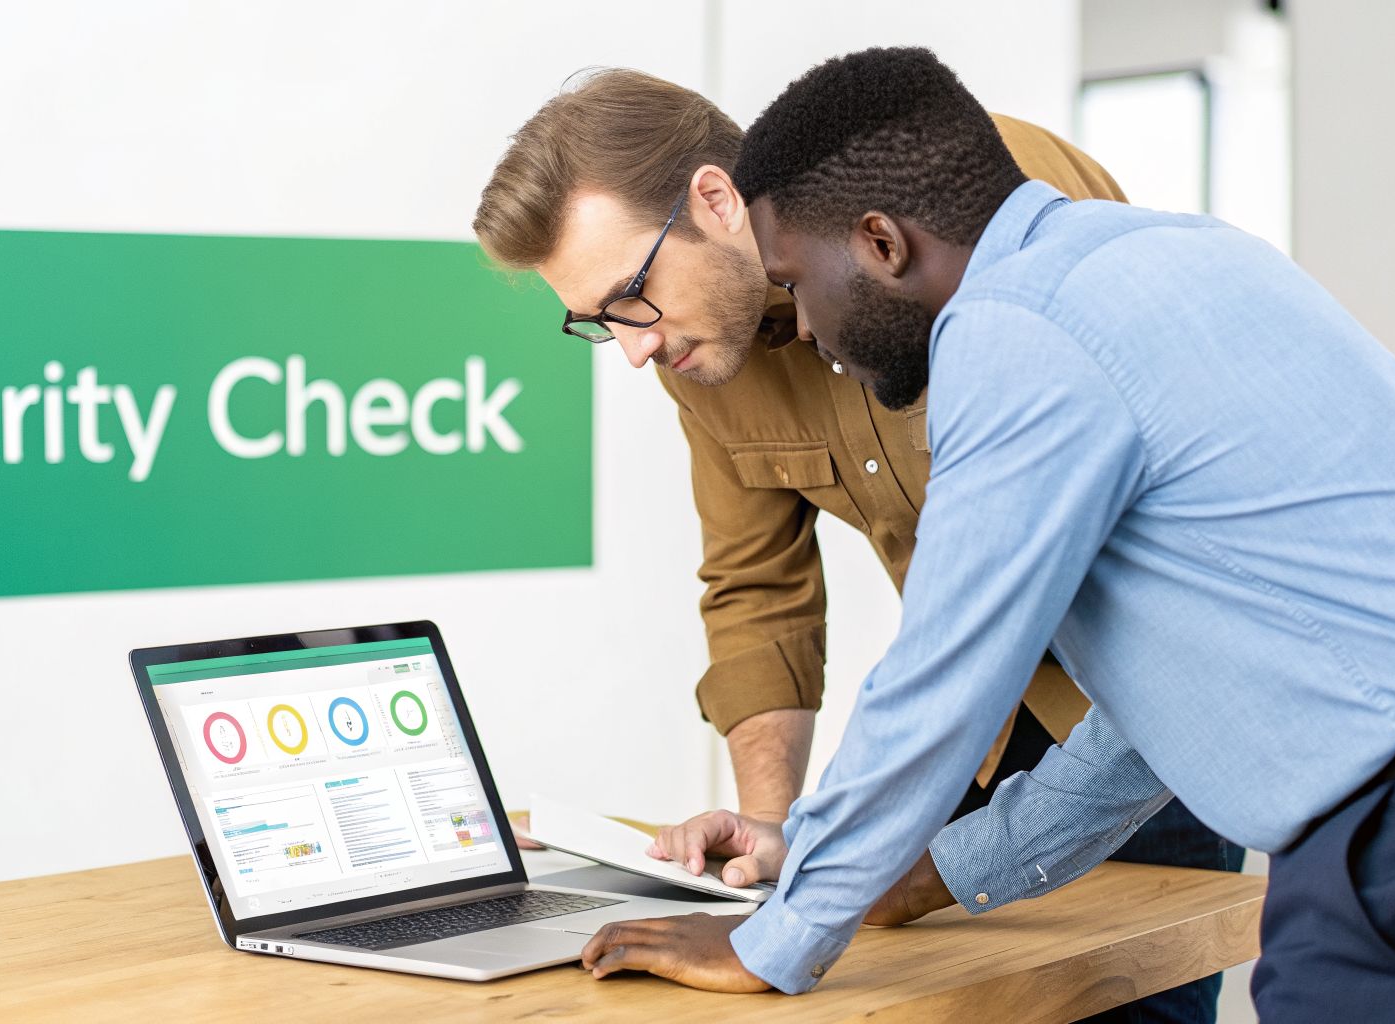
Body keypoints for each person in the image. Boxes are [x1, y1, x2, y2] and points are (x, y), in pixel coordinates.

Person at [568, 47, 1395, 1021]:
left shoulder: (1013, 331)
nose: (810, 334)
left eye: (796, 283)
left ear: (878, 243)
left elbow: (942, 675)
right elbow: (1154, 725)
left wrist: (777, 933)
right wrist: (932, 870)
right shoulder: (1177, 254)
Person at [474, 69, 1240, 1021]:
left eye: (631, 297)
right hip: (959, 733)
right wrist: (781, 832)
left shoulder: (963, 198)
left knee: (1130, 1003)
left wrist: (816, 901)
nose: (632, 347)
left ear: (715, 200)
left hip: (1140, 700)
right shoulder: (696, 349)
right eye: (596, 322)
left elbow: (1040, 594)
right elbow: (758, 591)